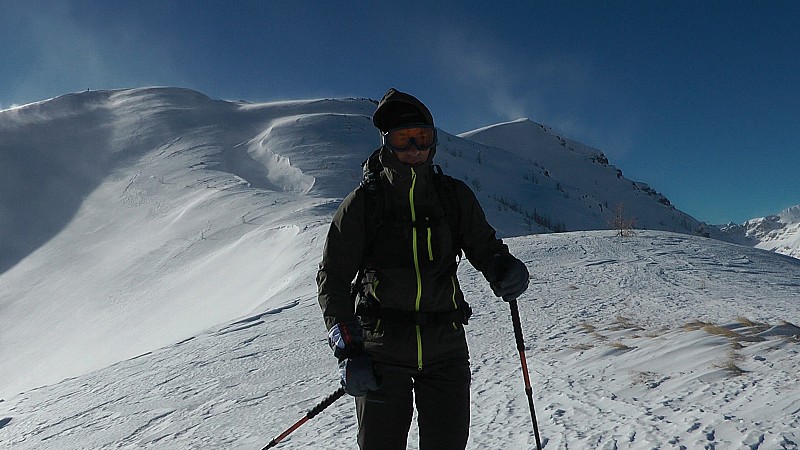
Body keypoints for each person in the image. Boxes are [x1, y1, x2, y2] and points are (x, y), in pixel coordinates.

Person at [317, 88, 529, 449]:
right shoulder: (363, 205)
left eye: (422, 138)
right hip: (382, 353)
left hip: (445, 350)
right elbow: (333, 278)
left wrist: (504, 268)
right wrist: (349, 351)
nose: (414, 148)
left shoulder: (453, 196)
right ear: (387, 143)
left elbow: (486, 247)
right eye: (403, 139)